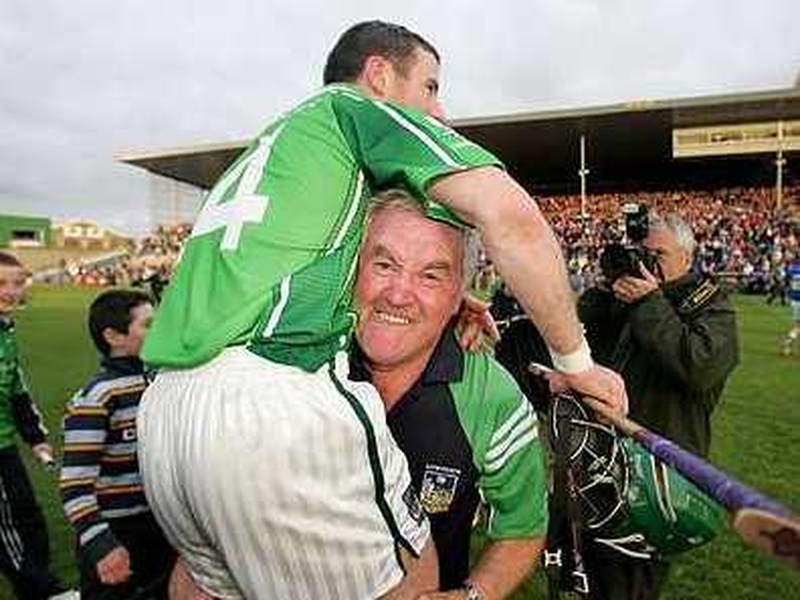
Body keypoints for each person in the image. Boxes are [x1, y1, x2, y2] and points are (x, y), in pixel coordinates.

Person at [138, 20, 626, 599]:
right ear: (379, 75)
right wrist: (575, 360)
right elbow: (512, 219)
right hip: (269, 405)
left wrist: (446, 300)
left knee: (205, 588)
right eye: (431, 87)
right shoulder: (352, 111)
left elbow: (294, 273)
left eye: (431, 275)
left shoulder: (280, 150)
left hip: (165, 419)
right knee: (410, 573)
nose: (438, 112)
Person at [350, 190, 548, 599]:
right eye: (385, 264)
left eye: (431, 275)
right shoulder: (299, 363)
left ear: (461, 292)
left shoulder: (494, 397)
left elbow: (524, 526)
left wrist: (475, 595)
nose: (399, 293)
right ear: (353, 266)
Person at [577, 212, 739, 600]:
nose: (648, 263)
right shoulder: (639, 301)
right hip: (608, 460)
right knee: (594, 572)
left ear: (686, 257)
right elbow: (590, 353)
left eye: (658, 255)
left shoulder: (711, 305)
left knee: (632, 583)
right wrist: (605, 294)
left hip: (658, 475)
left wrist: (651, 301)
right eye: (642, 254)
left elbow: (697, 366)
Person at [60, 289, 175, 599]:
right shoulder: (97, 398)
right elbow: (74, 486)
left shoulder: (159, 384)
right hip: (116, 533)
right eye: (148, 324)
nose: (159, 330)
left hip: (161, 527)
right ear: (114, 335)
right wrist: (102, 546)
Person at [0, 252, 77, 600]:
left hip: (5, 446)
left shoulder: (6, 330)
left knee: (28, 516)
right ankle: (44, 592)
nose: (11, 291)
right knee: (8, 529)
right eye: (1, 283)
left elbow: (17, 388)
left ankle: (37, 584)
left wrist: (35, 437)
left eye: (17, 283)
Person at [780, 254, 800, 356]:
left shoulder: (792, 270)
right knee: (798, 326)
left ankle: (788, 344)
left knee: (797, 325)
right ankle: (788, 343)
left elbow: (785, 281)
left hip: (794, 301)